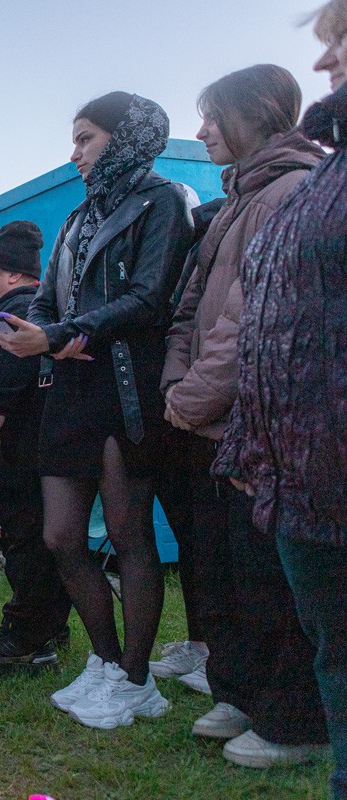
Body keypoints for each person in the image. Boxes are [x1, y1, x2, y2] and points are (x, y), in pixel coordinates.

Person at [0, 92, 194, 728]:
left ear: (125, 138)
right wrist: (48, 332)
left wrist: (62, 335)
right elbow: (48, 301)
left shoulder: (161, 200)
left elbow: (149, 297)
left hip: (123, 389)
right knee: (61, 536)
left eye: (85, 138)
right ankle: (106, 663)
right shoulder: (79, 218)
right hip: (70, 392)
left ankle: (136, 680)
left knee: (131, 537)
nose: (74, 153)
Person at [159, 65, 328, 764]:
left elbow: (245, 323)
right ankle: (241, 690)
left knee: (269, 580)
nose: (199, 133)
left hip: (253, 422)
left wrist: (191, 395)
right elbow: (191, 313)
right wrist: (179, 385)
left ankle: (295, 721)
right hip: (209, 418)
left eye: (211, 117)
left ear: (258, 113)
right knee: (222, 571)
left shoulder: (287, 190)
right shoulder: (235, 199)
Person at [214, 8, 347, 789]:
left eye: (343, 34)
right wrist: (251, 443)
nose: (325, 56)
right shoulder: (327, 172)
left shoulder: (296, 180)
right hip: (305, 476)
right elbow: (267, 316)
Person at [0, 221, 72, 674]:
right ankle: (48, 624)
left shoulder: (19, 307)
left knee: (26, 539)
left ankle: (28, 633)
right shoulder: (23, 304)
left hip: (18, 449)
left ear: (11, 275)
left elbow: (12, 355)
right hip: (22, 449)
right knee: (30, 538)